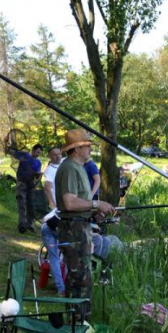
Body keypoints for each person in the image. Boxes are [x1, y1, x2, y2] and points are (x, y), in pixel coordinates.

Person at [54, 129, 114, 305]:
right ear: (76, 149)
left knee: (84, 276)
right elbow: (69, 203)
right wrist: (96, 204)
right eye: (86, 145)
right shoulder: (69, 168)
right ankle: (77, 323)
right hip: (73, 229)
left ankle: (81, 322)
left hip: (81, 226)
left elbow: (79, 202)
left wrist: (94, 213)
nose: (89, 149)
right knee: (79, 279)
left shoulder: (78, 168)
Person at [41, 145, 66, 295]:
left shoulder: (66, 163)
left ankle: (64, 286)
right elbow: (47, 187)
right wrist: (52, 203)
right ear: (50, 157)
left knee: (63, 255)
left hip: (59, 215)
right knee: (57, 257)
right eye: (54, 155)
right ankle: (61, 288)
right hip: (54, 219)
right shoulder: (50, 171)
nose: (57, 157)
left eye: (58, 154)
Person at [9, 142, 43, 233]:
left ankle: (29, 224)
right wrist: (8, 143)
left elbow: (38, 174)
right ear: (32, 150)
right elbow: (11, 152)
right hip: (21, 183)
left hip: (31, 184)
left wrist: (38, 177)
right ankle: (22, 225)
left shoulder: (38, 162)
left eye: (39, 153)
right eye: (37, 152)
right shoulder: (23, 156)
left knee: (31, 204)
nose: (38, 155)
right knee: (21, 203)